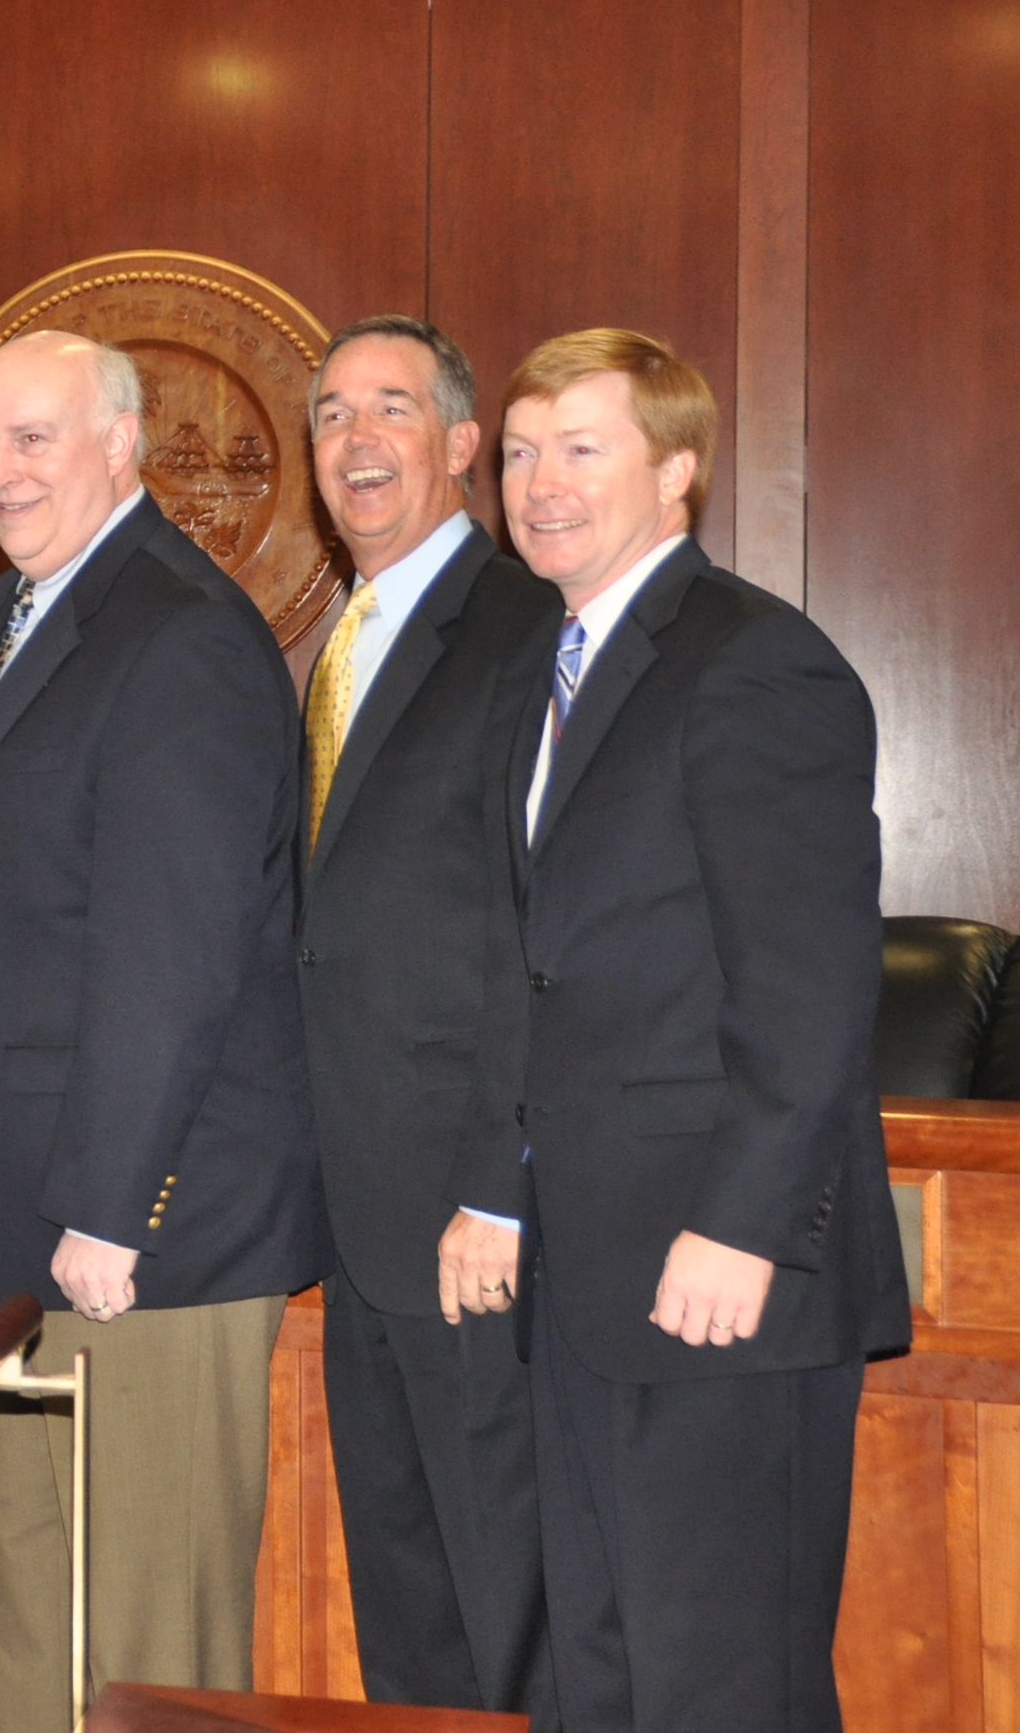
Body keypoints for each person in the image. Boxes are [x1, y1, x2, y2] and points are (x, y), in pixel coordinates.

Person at [453, 329, 906, 1733]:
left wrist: (746, 1225)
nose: (539, 484)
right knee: (600, 1670)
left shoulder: (756, 663)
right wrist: (498, 1188)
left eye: (581, 449)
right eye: (522, 453)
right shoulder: (551, 666)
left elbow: (810, 985)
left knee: (722, 1685)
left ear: (679, 472)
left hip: (720, 1274)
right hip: (585, 1274)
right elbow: (543, 971)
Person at [0, 330, 327, 1733]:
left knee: (146, 1655)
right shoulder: (21, 611)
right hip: (25, 1228)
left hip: (142, 1241)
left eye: (35, 438)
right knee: (34, 1623)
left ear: (122, 443)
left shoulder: (179, 630)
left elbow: (176, 953)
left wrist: (108, 1208)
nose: (1, 471)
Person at [292, 319, 560, 1718]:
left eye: (389, 409)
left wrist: (495, 1185)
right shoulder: (353, 636)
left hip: (475, 1228)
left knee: (511, 1614)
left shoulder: (525, 631)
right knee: (406, 1616)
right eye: (331, 416)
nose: (354, 442)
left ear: (463, 446)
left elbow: (541, 933)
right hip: (360, 1219)